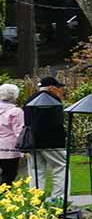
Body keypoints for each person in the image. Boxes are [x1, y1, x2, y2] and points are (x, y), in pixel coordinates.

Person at [21, 74, 65, 207]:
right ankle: (59, 200)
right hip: (52, 143)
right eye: (58, 87)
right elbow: (56, 123)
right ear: (51, 88)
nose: (60, 90)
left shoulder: (29, 100)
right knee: (60, 167)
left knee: (36, 171)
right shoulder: (53, 100)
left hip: (32, 142)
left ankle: (35, 201)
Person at [0, 85, 22, 186]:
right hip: (10, 150)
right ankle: (3, 199)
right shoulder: (16, 112)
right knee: (9, 176)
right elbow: (19, 132)